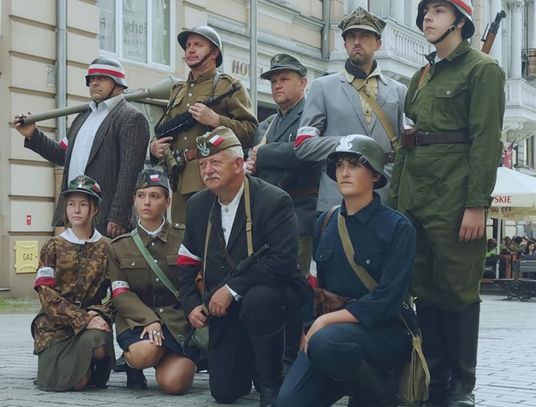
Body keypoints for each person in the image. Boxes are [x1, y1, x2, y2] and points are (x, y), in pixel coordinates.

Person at [388, 1, 505, 405]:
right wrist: (397, 201)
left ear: (460, 21)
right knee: (424, 288)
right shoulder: (422, 74)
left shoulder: (483, 70)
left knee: (458, 290)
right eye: (425, 10)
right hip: (416, 196)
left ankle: (461, 384)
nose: (427, 17)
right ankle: (434, 378)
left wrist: (477, 203)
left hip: (454, 198)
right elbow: (409, 141)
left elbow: (486, 141)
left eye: (438, 10)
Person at [277, 135, 415, 407]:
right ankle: (349, 380)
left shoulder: (397, 228)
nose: (344, 172)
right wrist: (309, 325)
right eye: (339, 165)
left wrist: (325, 323)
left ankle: (381, 397)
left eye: (355, 165)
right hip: (331, 337)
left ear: (375, 175)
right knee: (289, 402)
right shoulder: (325, 222)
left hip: (383, 331)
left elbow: (388, 299)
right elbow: (314, 285)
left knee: (326, 343)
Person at [176, 126, 303, 407]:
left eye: (215, 162)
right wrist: (191, 303)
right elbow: (187, 260)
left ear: (237, 165)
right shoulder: (198, 204)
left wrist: (232, 288)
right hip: (224, 307)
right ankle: (252, 362)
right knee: (224, 391)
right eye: (203, 164)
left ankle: (271, 381)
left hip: (273, 297)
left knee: (258, 300)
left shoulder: (273, 200)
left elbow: (282, 261)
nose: (207, 170)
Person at [13, 57, 149, 238]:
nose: (95, 83)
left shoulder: (131, 117)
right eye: (91, 78)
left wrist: (118, 216)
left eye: (102, 78)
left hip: (107, 219)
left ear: (118, 83)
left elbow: (130, 173)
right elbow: (62, 155)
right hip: (74, 216)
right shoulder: (82, 117)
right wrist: (33, 134)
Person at [246, 53, 319, 375]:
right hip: (268, 218)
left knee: (300, 288)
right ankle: (276, 358)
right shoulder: (268, 124)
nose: (277, 85)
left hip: (300, 212)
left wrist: (263, 154)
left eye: (284, 79)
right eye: (274, 80)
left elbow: (305, 153)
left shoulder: (311, 115)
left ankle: (299, 360)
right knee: (273, 287)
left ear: (303, 83)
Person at [294, 7, 406, 211]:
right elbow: (303, 145)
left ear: (378, 43)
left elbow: (405, 150)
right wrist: (348, 144)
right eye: (351, 36)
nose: (357, 41)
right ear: (345, 44)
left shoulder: (398, 91)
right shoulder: (322, 87)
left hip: (385, 198)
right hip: (337, 200)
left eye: (364, 36)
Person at [150, 25, 257, 225]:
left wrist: (216, 120)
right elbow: (163, 130)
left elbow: (250, 131)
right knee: (183, 235)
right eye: (188, 45)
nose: (190, 50)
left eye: (198, 45)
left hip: (213, 178)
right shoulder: (178, 90)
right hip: (179, 178)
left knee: (212, 233)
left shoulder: (228, 85)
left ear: (214, 52)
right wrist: (154, 148)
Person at [108, 169, 198, 393]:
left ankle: (169, 357)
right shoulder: (119, 246)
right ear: (134, 200)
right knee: (146, 352)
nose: (146, 202)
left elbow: (195, 281)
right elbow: (121, 294)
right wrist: (149, 320)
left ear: (167, 202)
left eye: (155, 196)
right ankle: (133, 365)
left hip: (176, 321)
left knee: (175, 384)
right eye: (141, 196)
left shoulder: (185, 238)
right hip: (136, 321)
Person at [30, 175, 114, 391]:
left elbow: (118, 292)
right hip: (54, 327)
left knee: (99, 344)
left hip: (91, 323)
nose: (76, 210)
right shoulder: (53, 246)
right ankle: (76, 370)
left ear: (95, 209)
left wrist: (99, 313)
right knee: (75, 383)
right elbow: (45, 292)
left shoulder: (107, 248)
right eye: (71, 204)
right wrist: (82, 319)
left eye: (83, 204)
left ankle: (92, 366)